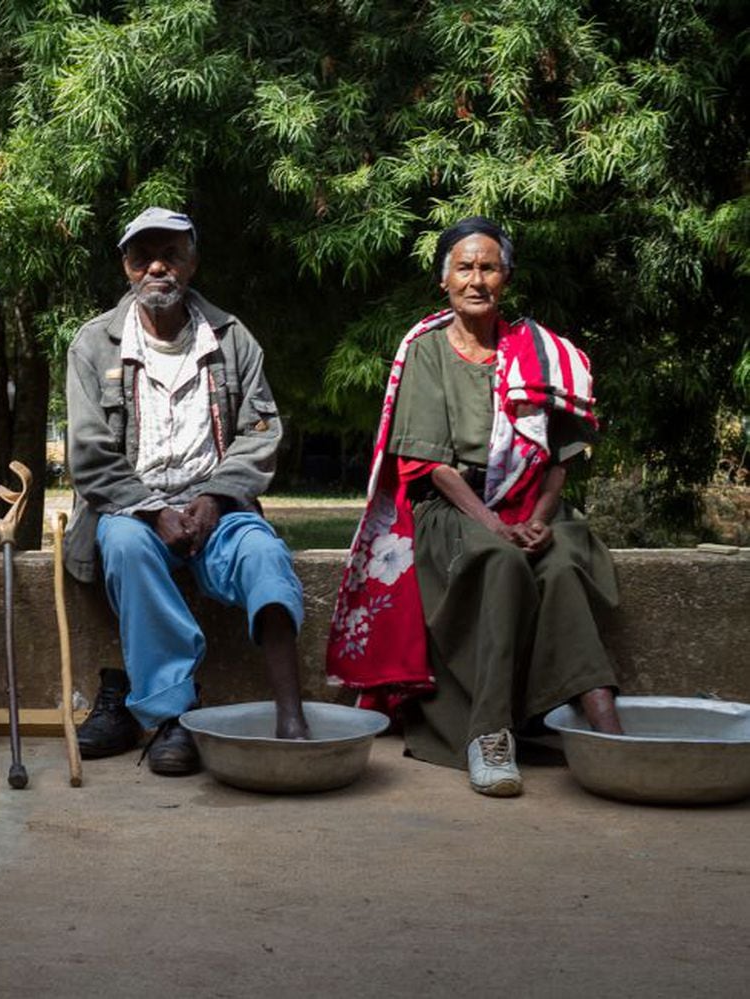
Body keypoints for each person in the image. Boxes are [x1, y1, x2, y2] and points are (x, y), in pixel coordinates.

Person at [327, 216, 624, 797]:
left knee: (562, 563)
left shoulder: (540, 354)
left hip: (529, 507)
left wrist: (537, 521)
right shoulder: (427, 351)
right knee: (502, 561)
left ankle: (606, 724)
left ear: (506, 277)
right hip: (452, 510)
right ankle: (488, 734)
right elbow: (431, 466)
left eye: (489, 267)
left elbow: (559, 458)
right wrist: (495, 526)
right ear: (445, 281)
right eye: (465, 267)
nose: (477, 279)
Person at [63, 207, 310, 776]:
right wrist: (153, 511)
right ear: (126, 267)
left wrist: (213, 499)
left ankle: (291, 713)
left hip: (216, 507)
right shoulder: (94, 345)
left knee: (265, 554)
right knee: (124, 545)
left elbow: (261, 433)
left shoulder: (231, 338)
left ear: (192, 263)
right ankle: (175, 715)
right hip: (131, 508)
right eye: (142, 256)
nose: (157, 267)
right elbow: (88, 454)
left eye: (171, 254)